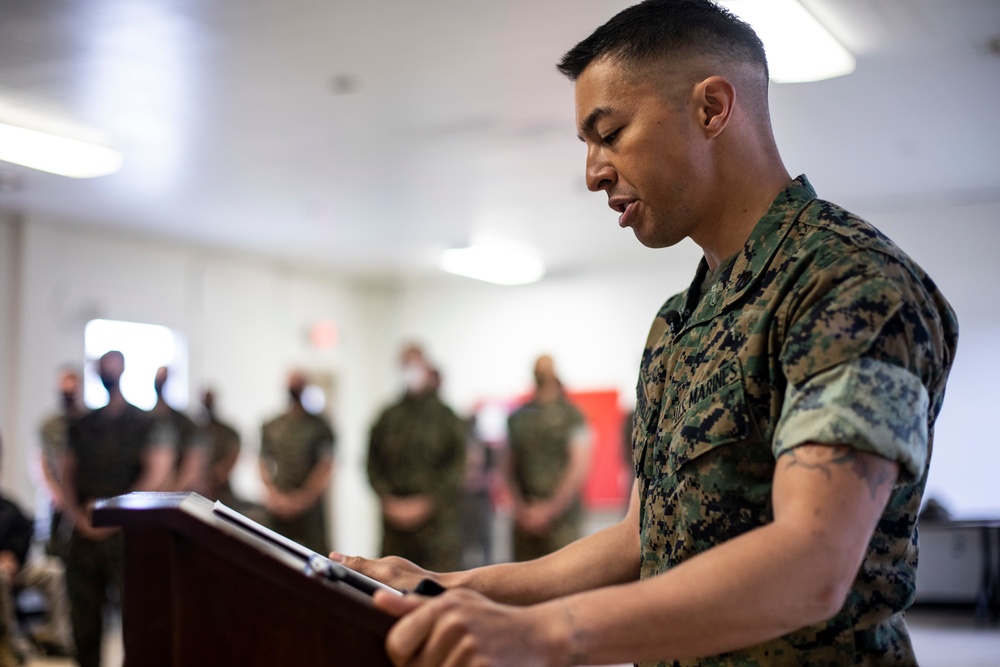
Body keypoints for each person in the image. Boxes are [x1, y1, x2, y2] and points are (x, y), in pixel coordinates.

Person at [334, 2, 959, 665]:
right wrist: (450, 587)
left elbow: (814, 563)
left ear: (711, 108)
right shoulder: (678, 321)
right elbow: (640, 540)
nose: (593, 172)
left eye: (612, 133)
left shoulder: (845, 283)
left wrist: (548, 633)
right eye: (588, 145)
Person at [62, 350, 175, 667]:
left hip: (128, 534)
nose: (108, 371)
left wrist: (118, 513)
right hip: (84, 534)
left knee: (136, 622)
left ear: (124, 369)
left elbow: (158, 471)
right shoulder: (83, 424)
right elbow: (66, 473)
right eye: (103, 366)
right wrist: (78, 516)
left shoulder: (145, 422)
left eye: (114, 365)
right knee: (83, 624)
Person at [366, 346, 466, 572]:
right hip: (394, 529)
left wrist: (427, 503)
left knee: (437, 593)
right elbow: (372, 463)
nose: (410, 371)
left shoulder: (446, 417)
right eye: (405, 365)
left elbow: (458, 466)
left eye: (415, 364)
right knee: (390, 592)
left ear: (427, 367)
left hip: (437, 530)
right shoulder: (388, 417)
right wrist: (388, 500)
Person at [505, 355, 590, 561]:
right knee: (524, 586)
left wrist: (550, 509)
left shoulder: (571, 415)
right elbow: (506, 468)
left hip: (562, 523)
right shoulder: (519, 418)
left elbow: (578, 465)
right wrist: (521, 509)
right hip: (525, 522)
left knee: (566, 583)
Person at [259, 371, 335, 554]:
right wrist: (273, 494)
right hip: (278, 509)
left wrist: (303, 498)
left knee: (318, 563)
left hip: (310, 514)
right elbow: (262, 462)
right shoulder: (272, 425)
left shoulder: (320, 427)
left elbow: (325, 465)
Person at [37, 367, 88, 559]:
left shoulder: (88, 422)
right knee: (54, 556)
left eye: (72, 383)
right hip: (56, 501)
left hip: (81, 497)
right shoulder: (50, 425)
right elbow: (40, 460)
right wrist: (55, 492)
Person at [152, 366, 209, 494]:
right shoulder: (146, 419)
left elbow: (195, 459)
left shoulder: (184, 422)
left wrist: (175, 490)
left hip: (177, 490)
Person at [198, 389, 242, 505]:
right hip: (198, 490)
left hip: (222, 492)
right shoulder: (194, 430)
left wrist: (218, 475)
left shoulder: (228, 432)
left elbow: (234, 454)